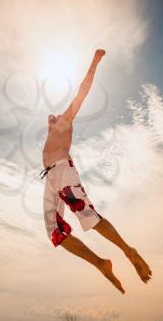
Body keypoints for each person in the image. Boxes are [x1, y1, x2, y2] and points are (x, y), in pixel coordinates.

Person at [40, 49, 152, 294]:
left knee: (88, 215)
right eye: (49, 116)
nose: (51, 116)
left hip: (62, 172)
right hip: (50, 179)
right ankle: (101, 263)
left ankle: (128, 251)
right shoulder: (51, 134)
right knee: (55, 234)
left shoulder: (65, 121)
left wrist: (95, 61)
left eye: (55, 115)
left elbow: (83, 90)